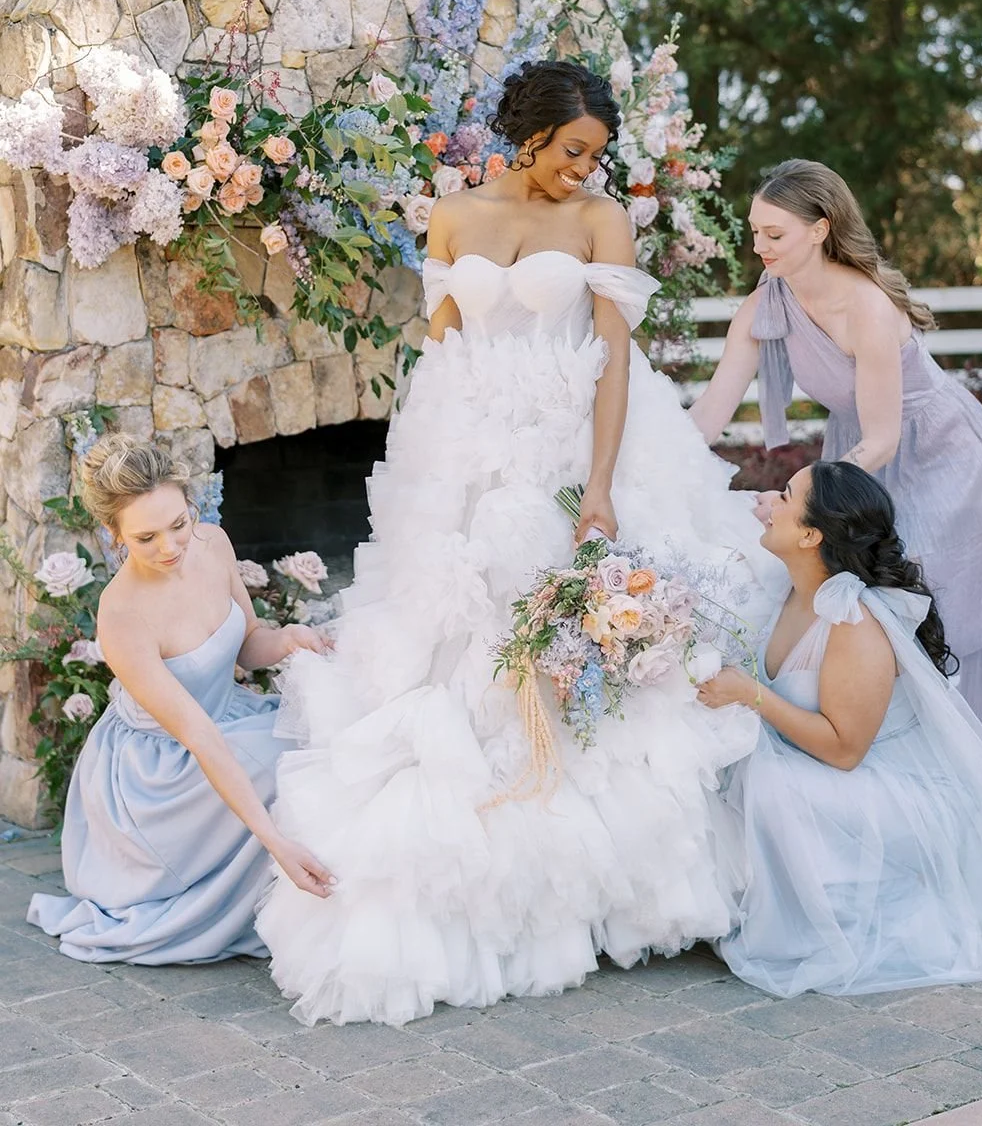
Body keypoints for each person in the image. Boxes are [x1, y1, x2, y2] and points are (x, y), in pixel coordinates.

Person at [258, 58, 786, 1027]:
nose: (584, 168)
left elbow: (614, 363)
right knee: (458, 650)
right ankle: (477, 886)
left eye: (596, 154)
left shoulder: (599, 219)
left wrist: (598, 487)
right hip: (467, 456)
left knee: (575, 656)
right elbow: (441, 352)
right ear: (529, 133)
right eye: (571, 149)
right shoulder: (452, 214)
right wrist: (427, 490)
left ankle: (594, 895)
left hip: (570, 453)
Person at [689, 158, 982, 756]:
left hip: (938, 451)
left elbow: (884, 439)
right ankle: (878, 745)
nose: (759, 245)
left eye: (775, 233)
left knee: (927, 592)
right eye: (755, 230)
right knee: (855, 590)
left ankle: (950, 760)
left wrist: (802, 501)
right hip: (853, 453)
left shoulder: (866, 306)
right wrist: (648, 458)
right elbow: (711, 413)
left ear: (820, 229)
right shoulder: (769, 300)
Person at [699, 460, 982, 998]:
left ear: (811, 535)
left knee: (764, 781)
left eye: (785, 496)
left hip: (876, 784)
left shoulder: (853, 619)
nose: (768, 501)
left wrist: (750, 695)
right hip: (814, 760)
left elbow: (845, 750)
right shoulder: (787, 584)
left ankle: (823, 911)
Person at [27, 437, 333, 963]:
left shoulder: (213, 543)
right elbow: (198, 736)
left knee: (325, 732)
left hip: (227, 721)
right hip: (162, 771)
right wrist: (276, 843)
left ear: (191, 507)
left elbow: (247, 644)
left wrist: (287, 639)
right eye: (145, 537)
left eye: (178, 524)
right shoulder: (122, 615)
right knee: (293, 760)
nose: (169, 547)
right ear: (115, 535)